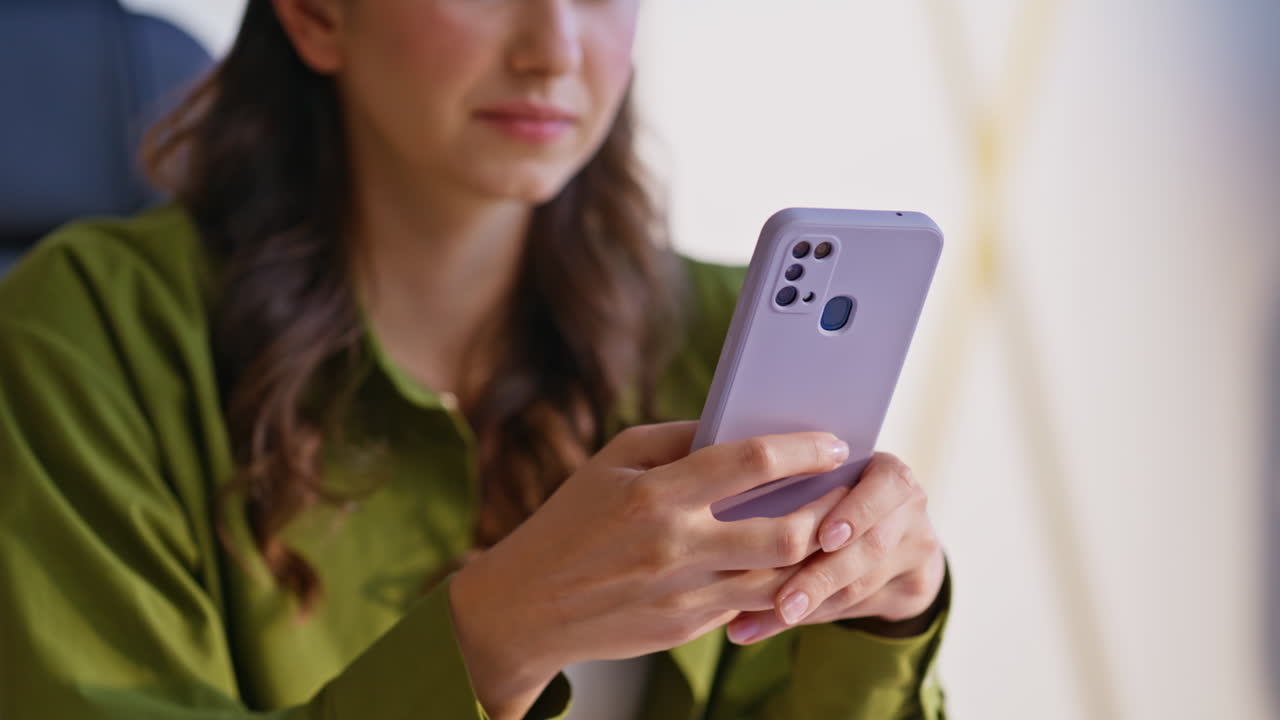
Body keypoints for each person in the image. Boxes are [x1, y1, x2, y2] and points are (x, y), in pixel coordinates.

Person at [0, 1, 951, 718]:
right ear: (317, 13)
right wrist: (498, 633)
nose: (554, 50)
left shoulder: (712, 330)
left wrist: (885, 621)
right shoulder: (83, 334)